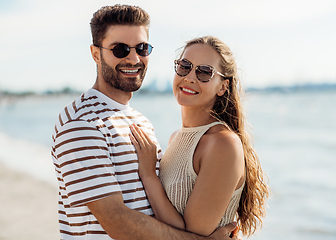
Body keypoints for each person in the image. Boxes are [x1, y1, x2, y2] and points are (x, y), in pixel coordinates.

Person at [51, 4, 238, 240]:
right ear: (96, 54)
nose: (133, 58)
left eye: (142, 48)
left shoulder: (141, 122)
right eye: (120, 49)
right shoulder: (82, 123)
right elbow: (118, 223)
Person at [130, 36, 270, 237]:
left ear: (223, 86)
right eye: (185, 66)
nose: (189, 77)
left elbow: (191, 235)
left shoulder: (223, 144)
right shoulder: (175, 138)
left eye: (204, 72)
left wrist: (149, 175)